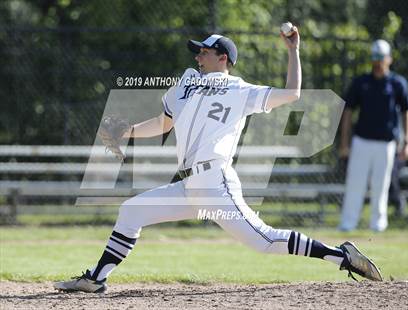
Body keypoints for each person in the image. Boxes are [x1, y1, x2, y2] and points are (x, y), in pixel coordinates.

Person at [55, 29, 383, 293]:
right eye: (198, 52)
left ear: (222, 58)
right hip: (189, 185)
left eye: (204, 52)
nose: (197, 56)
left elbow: (292, 94)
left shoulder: (239, 90)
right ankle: (96, 278)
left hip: (216, 182)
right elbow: (163, 124)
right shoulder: (185, 86)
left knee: (265, 241)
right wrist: (127, 132)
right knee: (131, 211)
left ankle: (342, 256)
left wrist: (293, 51)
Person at [339, 39, 408, 232]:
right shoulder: (361, 82)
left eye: (381, 57)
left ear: (389, 59)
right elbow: (347, 112)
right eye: (375, 57)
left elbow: (407, 112)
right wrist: (344, 142)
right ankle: (348, 224)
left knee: (381, 186)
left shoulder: (398, 83)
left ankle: (378, 225)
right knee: (355, 184)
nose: (378, 62)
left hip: (386, 144)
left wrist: (407, 142)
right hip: (361, 141)